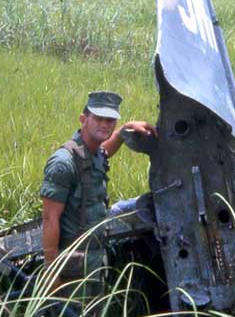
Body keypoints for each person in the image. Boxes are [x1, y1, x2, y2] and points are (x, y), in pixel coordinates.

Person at [40, 91, 155, 305]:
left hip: (93, 262)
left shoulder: (93, 155)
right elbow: (49, 218)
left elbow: (103, 152)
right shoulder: (63, 163)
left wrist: (123, 132)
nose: (105, 124)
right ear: (83, 119)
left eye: (110, 120)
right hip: (71, 266)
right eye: (98, 118)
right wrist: (51, 270)